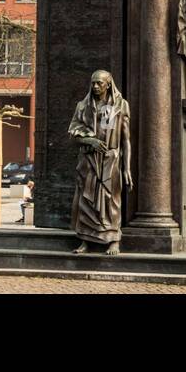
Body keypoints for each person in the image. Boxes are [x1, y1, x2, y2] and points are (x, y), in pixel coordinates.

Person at [68, 70, 132, 254]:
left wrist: (126, 167)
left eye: (100, 83)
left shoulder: (118, 105)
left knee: (110, 199)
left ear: (109, 84)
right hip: (88, 160)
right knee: (86, 200)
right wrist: (90, 140)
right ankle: (86, 240)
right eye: (93, 83)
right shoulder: (83, 106)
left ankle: (113, 240)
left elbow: (125, 139)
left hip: (109, 160)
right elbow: (72, 132)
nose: (96, 87)